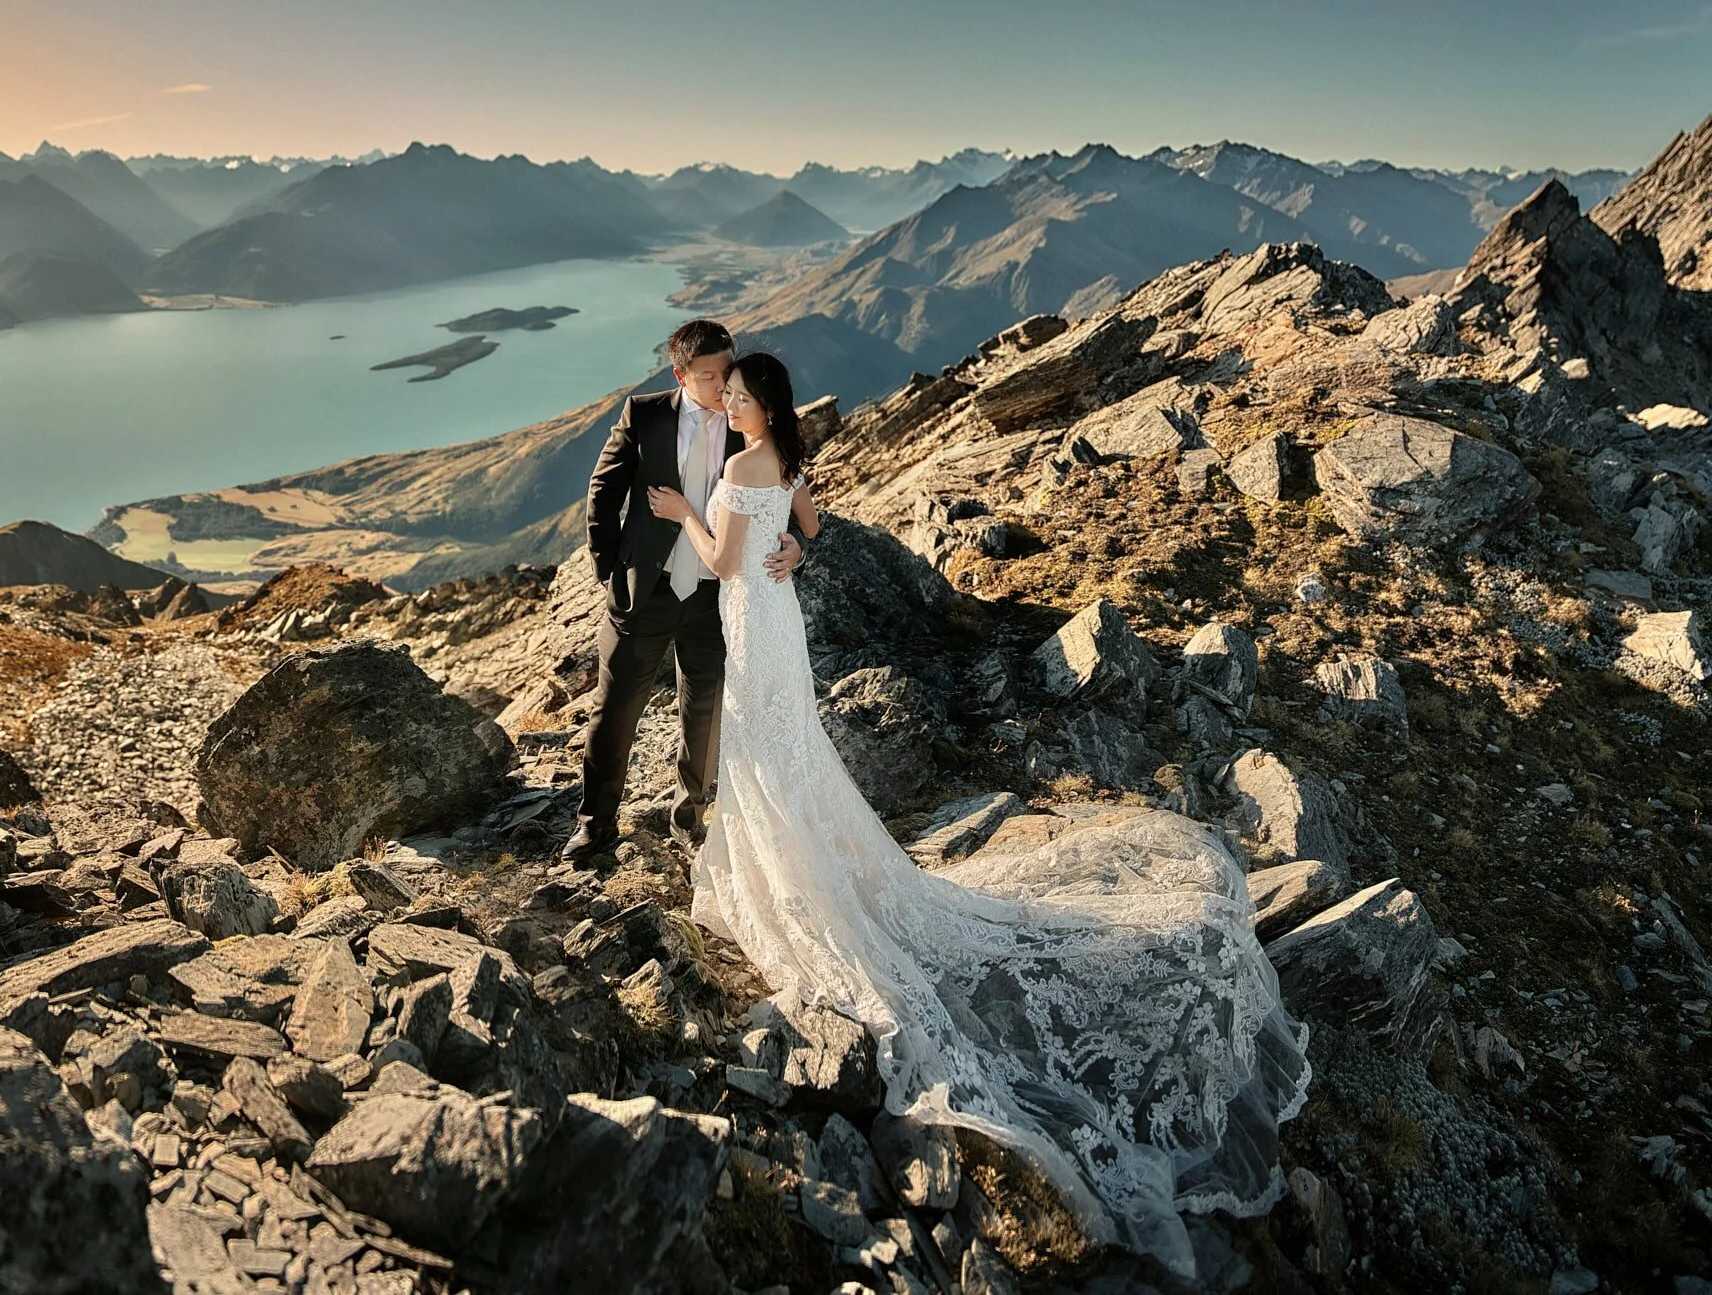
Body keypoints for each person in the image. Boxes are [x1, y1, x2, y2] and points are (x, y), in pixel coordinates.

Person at [650, 350, 1312, 1281]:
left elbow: (721, 560)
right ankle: (799, 856)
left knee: (766, 755)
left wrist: (684, 514)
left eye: (744, 395)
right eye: (734, 393)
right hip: (779, 621)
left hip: (753, 623)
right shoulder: (784, 460)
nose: (734, 402)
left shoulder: (734, 468)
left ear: (763, 405)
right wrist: (797, 549)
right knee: (788, 753)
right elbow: (807, 523)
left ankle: (790, 874)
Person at [561, 320, 806, 864]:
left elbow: (786, 491)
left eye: (728, 371)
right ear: (680, 375)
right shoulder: (644, 414)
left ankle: (689, 817)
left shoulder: (748, 427)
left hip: (716, 600)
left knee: (704, 713)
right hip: (643, 591)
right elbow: (603, 492)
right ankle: (594, 824)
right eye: (710, 376)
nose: (724, 387)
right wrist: (610, 571)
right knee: (614, 711)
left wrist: (797, 546)